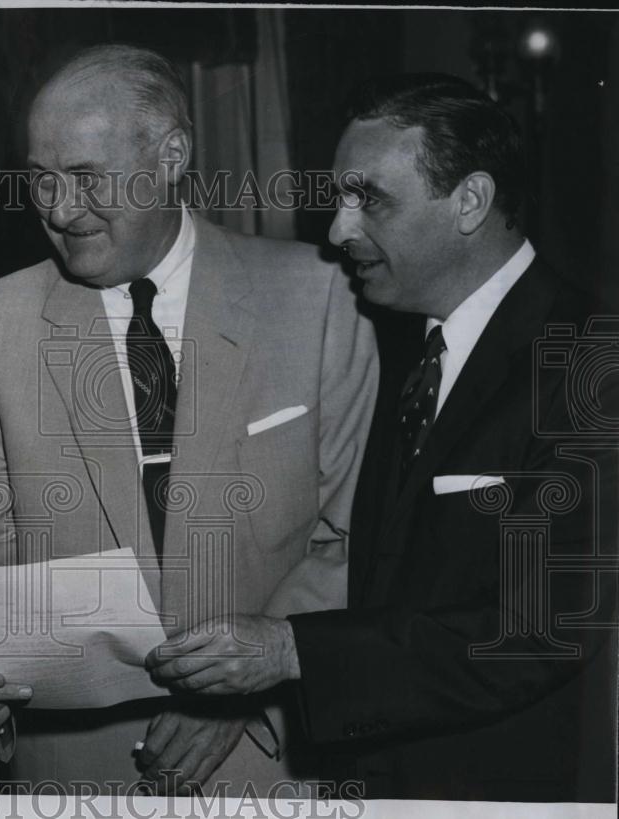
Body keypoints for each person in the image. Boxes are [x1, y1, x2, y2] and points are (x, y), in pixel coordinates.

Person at [147, 73, 618, 802]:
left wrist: (289, 649)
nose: (338, 230)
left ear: (470, 202)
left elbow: (541, 628)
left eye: (369, 198)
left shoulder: (590, 360)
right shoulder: (400, 345)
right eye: (340, 197)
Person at [0, 44, 378, 795]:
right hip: (77, 774)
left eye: (85, 177)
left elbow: (357, 540)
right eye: (40, 179)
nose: (60, 210)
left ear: (172, 154)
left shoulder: (319, 298)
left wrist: (252, 683)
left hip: (274, 766)